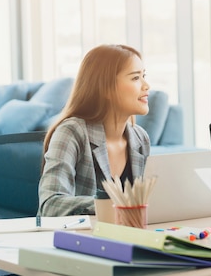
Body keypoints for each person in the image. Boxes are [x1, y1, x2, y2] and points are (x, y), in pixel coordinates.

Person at [38, 44, 151, 217]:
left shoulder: (140, 138)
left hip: (125, 239)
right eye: (135, 78)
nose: (146, 85)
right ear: (106, 87)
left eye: (144, 76)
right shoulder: (72, 132)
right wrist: (115, 204)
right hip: (78, 240)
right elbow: (50, 205)